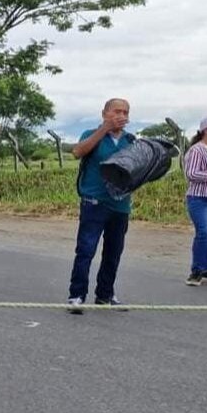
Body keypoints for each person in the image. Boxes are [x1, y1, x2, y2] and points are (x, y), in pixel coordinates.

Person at [65, 98, 135, 314]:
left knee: (113, 252)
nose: (121, 116)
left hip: (120, 205)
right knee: (86, 250)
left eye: (125, 112)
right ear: (104, 113)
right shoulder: (91, 134)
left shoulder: (131, 141)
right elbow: (77, 152)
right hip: (94, 202)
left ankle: (105, 295)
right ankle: (76, 296)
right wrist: (104, 129)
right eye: (116, 111)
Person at [182, 116, 207, 286]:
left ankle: (206, 268)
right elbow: (192, 174)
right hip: (200, 198)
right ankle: (196, 270)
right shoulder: (197, 150)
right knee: (205, 232)